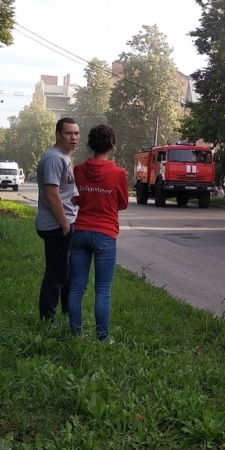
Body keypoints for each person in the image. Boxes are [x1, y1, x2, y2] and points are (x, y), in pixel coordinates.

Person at [68, 124, 130, 342]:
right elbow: (122, 203)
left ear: (90, 145)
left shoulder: (78, 170)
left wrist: (84, 199)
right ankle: (103, 339)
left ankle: (76, 335)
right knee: (103, 290)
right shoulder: (119, 173)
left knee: (76, 286)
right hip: (105, 234)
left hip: (81, 230)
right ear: (112, 145)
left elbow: (81, 195)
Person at [35, 117, 80, 321]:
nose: (73, 137)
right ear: (58, 135)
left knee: (66, 273)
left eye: (76, 133)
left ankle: (66, 313)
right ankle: (47, 320)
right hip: (56, 226)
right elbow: (52, 194)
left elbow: (62, 191)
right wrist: (64, 224)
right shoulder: (54, 158)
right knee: (56, 275)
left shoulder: (64, 157)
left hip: (64, 223)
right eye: (68, 133)